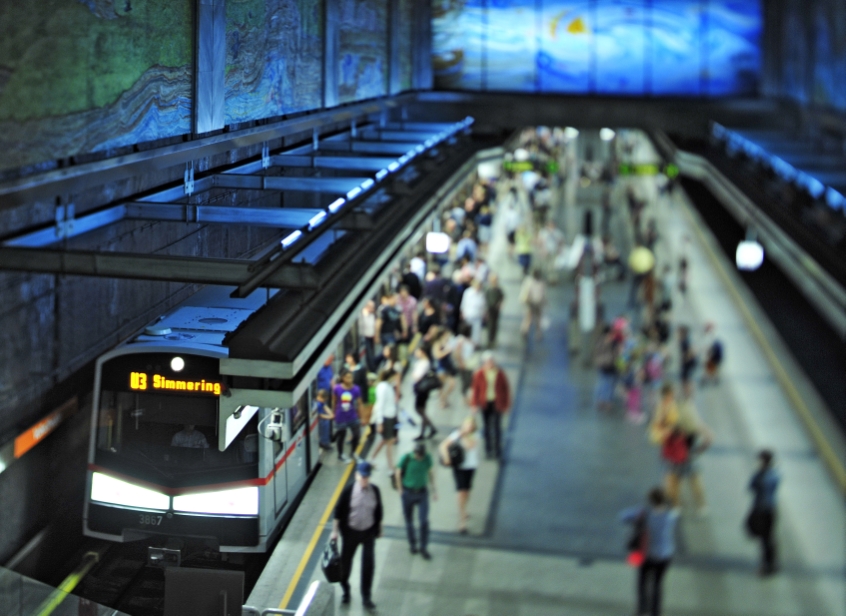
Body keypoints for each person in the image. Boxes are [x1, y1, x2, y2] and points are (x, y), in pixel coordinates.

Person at [620, 487, 680, 616]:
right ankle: (656, 612)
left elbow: (623, 516)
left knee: (642, 582)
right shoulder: (671, 515)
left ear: (650, 501)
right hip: (665, 556)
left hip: (647, 555)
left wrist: (639, 513)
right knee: (658, 585)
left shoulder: (644, 513)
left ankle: (642, 608)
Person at [332, 461, 382, 611]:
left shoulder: (375, 491)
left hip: (368, 533)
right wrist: (335, 532)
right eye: (362, 477)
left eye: (366, 477)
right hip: (350, 533)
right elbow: (338, 511)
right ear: (356, 475)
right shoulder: (348, 491)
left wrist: (379, 528)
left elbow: (379, 510)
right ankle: (346, 590)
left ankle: (366, 597)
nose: (364, 480)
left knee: (368, 566)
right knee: (345, 566)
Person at [439, 416, 480, 534]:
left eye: (470, 426)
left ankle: (464, 509)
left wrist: (463, 435)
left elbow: (470, 446)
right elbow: (443, 445)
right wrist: (447, 458)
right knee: (461, 491)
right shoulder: (456, 434)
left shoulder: (475, 435)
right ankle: (462, 520)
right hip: (460, 466)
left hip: (471, 466)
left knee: (467, 490)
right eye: (466, 425)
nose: (468, 428)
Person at [396, 442, 437, 559]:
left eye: (421, 455)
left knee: (424, 521)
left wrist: (434, 490)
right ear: (415, 453)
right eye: (418, 455)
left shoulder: (427, 458)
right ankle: (412, 544)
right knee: (409, 521)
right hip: (408, 492)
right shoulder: (407, 458)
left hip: (422, 493)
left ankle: (423, 547)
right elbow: (398, 472)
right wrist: (400, 489)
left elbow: (431, 472)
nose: (420, 458)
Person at [471, 351, 511, 459]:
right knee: (487, 427)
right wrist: (474, 404)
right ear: (484, 362)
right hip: (485, 403)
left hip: (496, 403)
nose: (490, 363)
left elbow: (506, 389)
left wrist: (507, 405)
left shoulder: (500, 373)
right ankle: (488, 450)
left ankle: (497, 450)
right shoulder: (479, 374)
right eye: (488, 361)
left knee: (497, 427)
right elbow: (476, 390)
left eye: (491, 361)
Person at [748, 450, 780, 576]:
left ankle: (768, 565)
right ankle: (771, 563)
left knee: (766, 538)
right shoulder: (771, 474)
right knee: (767, 537)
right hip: (765, 508)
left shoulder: (767, 475)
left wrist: (759, 474)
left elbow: (756, 486)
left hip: (764, 509)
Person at [369, 369, 400, 469]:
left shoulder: (388, 386)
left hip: (390, 417)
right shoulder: (382, 387)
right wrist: (380, 423)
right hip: (386, 418)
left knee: (385, 440)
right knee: (389, 442)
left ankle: (372, 458)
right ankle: (391, 466)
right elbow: (380, 406)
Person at [333, 370, 362, 463]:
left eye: (351, 377)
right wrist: (334, 413)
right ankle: (340, 454)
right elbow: (334, 401)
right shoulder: (337, 388)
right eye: (347, 377)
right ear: (343, 378)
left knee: (356, 434)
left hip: (352, 415)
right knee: (342, 435)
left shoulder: (356, 389)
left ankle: (353, 452)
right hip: (340, 415)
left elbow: (359, 403)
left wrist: (361, 416)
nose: (350, 379)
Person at [411, 346, 437, 441]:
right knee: (422, 410)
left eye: (417, 351)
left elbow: (417, 376)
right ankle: (424, 431)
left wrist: (413, 374)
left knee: (419, 409)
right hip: (421, 389)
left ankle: (430, 427)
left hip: (422, 390)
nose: (416, 353)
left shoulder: (425, 363)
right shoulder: (422, 362)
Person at [432, 327, 457, 409]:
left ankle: (445, 397)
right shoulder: (437, 344)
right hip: (441, 367)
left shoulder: (447, 342)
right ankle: (442, 401)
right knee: (441, 386)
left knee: (452, 384)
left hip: (448, 366)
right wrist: (447, 351)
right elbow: (437, 355)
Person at [519, 269, 546, 341]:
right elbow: (525, 292)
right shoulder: (529, 281)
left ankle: (538, 333)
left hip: (537, 303)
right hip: (530, 302)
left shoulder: (540, 282)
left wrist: (544, 301)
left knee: (538, 319)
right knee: (529, 318)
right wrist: (525, 299)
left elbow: (542, 293)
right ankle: (525, 331)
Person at [460, 278, 486, 347]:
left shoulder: (481, 294)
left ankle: (475, 344)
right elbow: (464, 303)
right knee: (468, 330)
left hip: (478, 315)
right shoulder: (468, 292)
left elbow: (483, 305)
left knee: (476, 331)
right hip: (469, 314)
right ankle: (466, 343)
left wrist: (484, 314)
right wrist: (462, 312)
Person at [396, 284, 418, 365]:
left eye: (404, 292)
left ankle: (406, 359)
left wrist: (415, 325)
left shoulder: (412, 301)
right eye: (401, 292)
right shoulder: (397, 301)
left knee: (408, 342)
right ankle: (400, 359)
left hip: (409, 324)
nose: (402, 294)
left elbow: (414, 314)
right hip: (399, 326)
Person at [484, 273, 505, 349]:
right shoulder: (488, 289)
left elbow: (502, 297)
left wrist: (500, 304)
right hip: (489, 309)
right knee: (490, 325)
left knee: (495, 325)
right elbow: (485, 299)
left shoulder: (498, 289)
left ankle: (493, 340)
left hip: (496, 310)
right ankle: (489, 340)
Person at [358, 301, 377, 371]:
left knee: (371, 353)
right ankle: (372, 368)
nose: (374, 309)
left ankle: (372, 367)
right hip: (365, 337)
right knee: (369, 354)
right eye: (372, 307)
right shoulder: (362, 315)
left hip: (372, 336)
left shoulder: (372, 315)